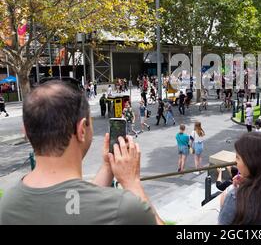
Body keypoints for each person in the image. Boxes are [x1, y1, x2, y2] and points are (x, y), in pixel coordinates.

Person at [0, 80, 163, 224]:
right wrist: (132, 184)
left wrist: (107, 167)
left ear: (26, 131)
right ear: (81, 130)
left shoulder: (7, 206)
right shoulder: (122, 209)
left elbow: (72, 207)